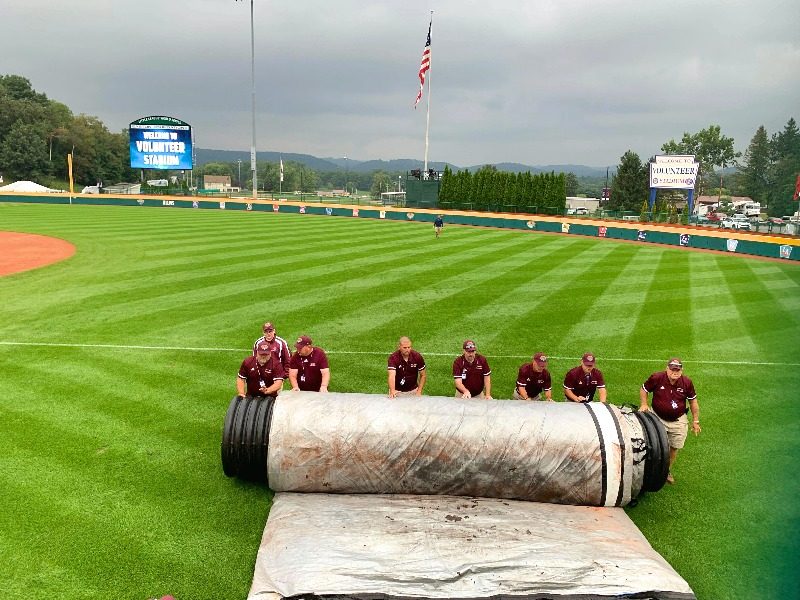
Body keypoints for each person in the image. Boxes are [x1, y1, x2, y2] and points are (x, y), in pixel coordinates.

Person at [639, 358, 700, 484]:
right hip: (657, 417)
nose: (675, 372)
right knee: (651, 445)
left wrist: (695, 421)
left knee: (674, 447)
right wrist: (644, 404)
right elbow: (644, 389)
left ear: (681, 370)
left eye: (678, 370)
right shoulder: (657, 377)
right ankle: (646, 470)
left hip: (678, 421)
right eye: (672, 369)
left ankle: (666, 470)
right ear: (667, 369)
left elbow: (693, 401)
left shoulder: (687, 382)